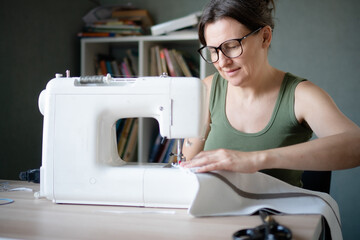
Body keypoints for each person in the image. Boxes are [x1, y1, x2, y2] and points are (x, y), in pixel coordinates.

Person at [181, 0, 360, 187]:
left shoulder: (301, 96)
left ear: (265, 37)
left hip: (277, 214)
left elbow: (356, 145)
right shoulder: (206, 90)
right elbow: (185, 169)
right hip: (217, 212)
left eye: (231, 46)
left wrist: (254, 159)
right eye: (213, 51)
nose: (222, 62)